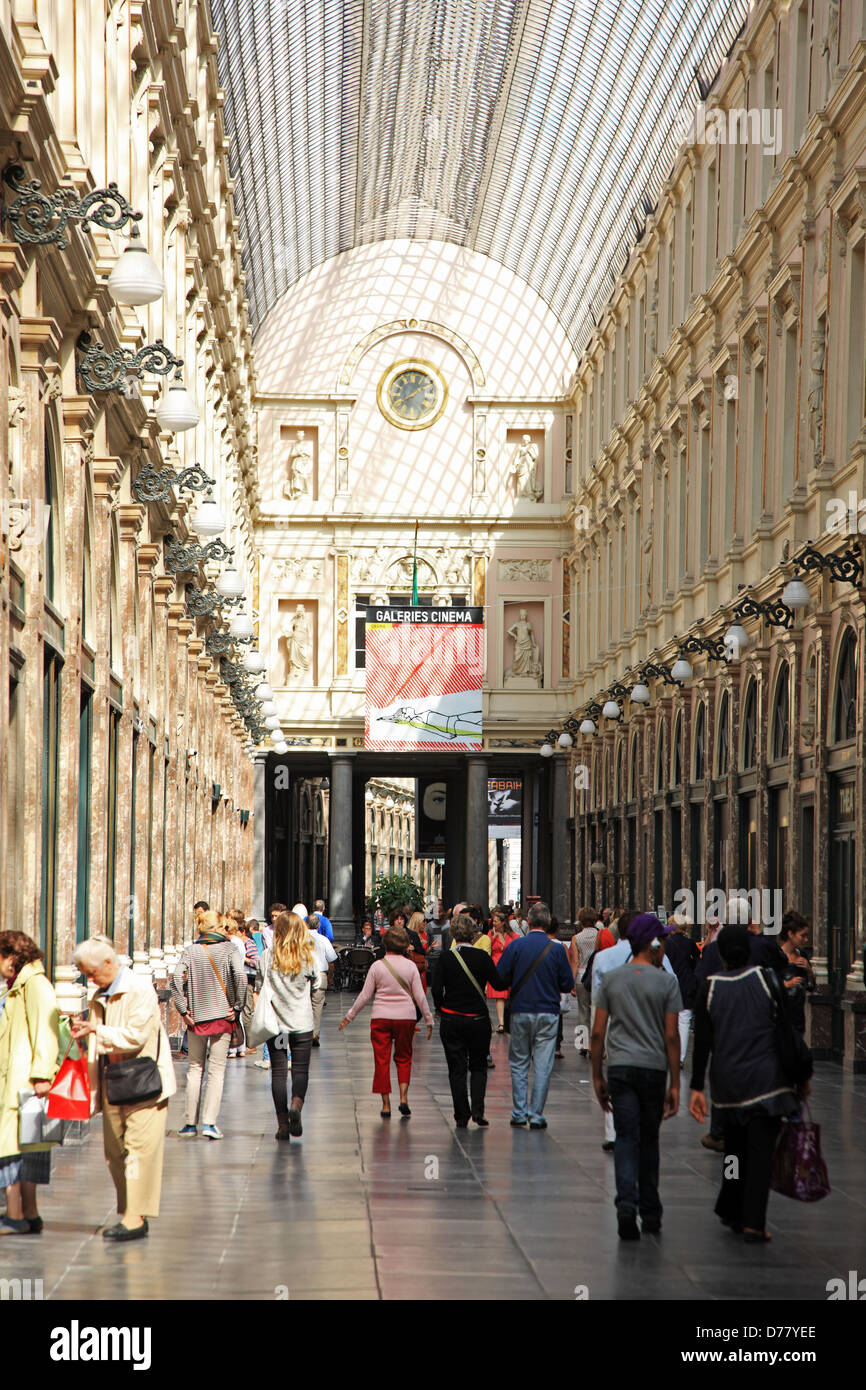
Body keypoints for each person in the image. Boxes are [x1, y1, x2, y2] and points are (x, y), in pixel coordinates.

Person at [689, 924, 811, 1242]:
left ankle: (731, 1205)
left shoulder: (711, 987)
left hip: (728, 1085)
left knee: (733, 1152)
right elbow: (786, 1029)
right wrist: (801, 1075)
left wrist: (697, 1088)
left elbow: (702, 1042)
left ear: (720, 954)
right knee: (759, 1155)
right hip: (767, 1082)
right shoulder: (766, 980)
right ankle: (753, 1221)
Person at [70, 937, 175, 1241]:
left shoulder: (139, 990)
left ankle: (134, 1218)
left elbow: (135, 1037)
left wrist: (96, 1030)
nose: (89, 979)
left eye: (91, 972)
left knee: (139, 1153)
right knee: (115, 1152)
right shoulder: (99, 992)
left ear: (108, 963)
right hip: (112, 1081)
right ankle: (129, 1210)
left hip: (144, 1084)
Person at [591, 913, 681, 1239]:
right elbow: (672, 1037)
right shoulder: (667, 982)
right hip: (654, 1070)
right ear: (654, 944)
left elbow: (598, 1033)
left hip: (619, 1069)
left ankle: (626, 1203)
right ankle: (651, 1211)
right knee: (649, 1139)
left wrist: (597, 1077)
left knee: (626, 1137)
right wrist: (676, 1083)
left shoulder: (613, 979)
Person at [0, 932, 60, 1235]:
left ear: (11, 956)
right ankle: (29, 1213)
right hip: (17, 1079)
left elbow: (46, 1031)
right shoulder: (20, 986)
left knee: (13, 1149)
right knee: (27, 1146)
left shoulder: (35, 985)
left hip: (24, 1081)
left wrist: (41, 1075)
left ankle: (15, 1214)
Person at [496, 902, 575, 1129]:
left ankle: (519, 1112)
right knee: (543, 1064)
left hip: (521, 1010)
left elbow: (500, 978)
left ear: (528, 922)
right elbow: (566, 983)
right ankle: (537, 1114)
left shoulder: (516, 946)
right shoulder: (557, 949)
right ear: (548, 922)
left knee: (519, 1062)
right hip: (549, 1013)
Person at [339, 927, 433, 1117]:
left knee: (382, 1061)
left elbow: (365, 996)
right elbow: (420, 996)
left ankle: (386, 1105)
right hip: (406, 1017)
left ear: (386, 944)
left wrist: (349, 1016)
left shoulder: (377, 966)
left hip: (380, 1017)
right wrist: (428, 1019)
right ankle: (404, 1098)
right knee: (404, 1057)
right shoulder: (410, 966)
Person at [170, 910, 247, 1139]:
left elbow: (175, 978)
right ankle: (209, 1123)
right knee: (216, 1071)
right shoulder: (229, 948)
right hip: (223, 1016)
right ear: (218, 927)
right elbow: (240, 977)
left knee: (195, 1069)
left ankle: (189, 1123)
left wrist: (183, 1010)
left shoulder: (191, 950)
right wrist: (237, 1005)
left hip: (197, 1018)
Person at [432, 914, 504, 1128]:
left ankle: (461, 1115)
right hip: (478, 1019)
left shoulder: (445, 958)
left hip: (452, 1018)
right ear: (473, 933)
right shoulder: (482, 957)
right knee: (479, 1065)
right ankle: (478, 1111)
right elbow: (499, 985)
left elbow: (436, 989)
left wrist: (441, 1008)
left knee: (457, 1068)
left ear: (453, 933)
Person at [257, 912, 318, 1139]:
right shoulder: (307, 955)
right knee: (301, 1070)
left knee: (279, 1073)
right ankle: (296, 1105)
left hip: (277, 1025)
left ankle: (282, 1125)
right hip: (301, 1024)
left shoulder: (267, 955)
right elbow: (318, 983)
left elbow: (260, 983)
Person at [664, 913, 700, 1066]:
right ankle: (680, 1057)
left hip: (670, 984)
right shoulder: (690, 943)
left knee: (668, 1020)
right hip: (687, 985)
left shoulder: (666, 944)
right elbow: (698, 962)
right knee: (684, 1022)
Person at [778, 911, 816, 1034]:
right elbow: (767, 986)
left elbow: (810, 987)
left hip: (798, 1020)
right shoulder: (776, 956)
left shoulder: (802, 956)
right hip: (780, 1019)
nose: (805, 940)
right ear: (790, 934)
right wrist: (786, 985)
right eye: (802, 936)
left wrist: (809, 971)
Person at [569, 907, 598, 1052]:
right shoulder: (600, 935)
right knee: (595, 1010)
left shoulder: (576, 938)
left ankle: (582, 1043)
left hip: (581, 976)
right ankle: (595, 1043)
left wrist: (572, 982)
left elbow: (575, 961)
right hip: (597, 975)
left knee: (582, 1011)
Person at [306, 914, 338, 1047]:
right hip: (320, 974)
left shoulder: (299, 939)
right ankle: (315, 1033)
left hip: (303, 975)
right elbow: (331, 960)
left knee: (303, 1004)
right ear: (319, 926)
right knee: (317, 1006)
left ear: (306, 925)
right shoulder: (324, 940)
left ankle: (303, 1033)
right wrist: (330, 977)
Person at [488, 907, 518, 1032]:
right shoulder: (490, 934)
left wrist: (501, 939)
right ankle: (501, 1023)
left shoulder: (513, 936)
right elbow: (487, 949)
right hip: (496, 965)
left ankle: (508, 1020)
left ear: (502, 922)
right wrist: (493, 938)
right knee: (499, 995)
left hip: (510, 966)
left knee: (509, 995)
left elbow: (515, 949)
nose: (493, 923)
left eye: (495, 921)